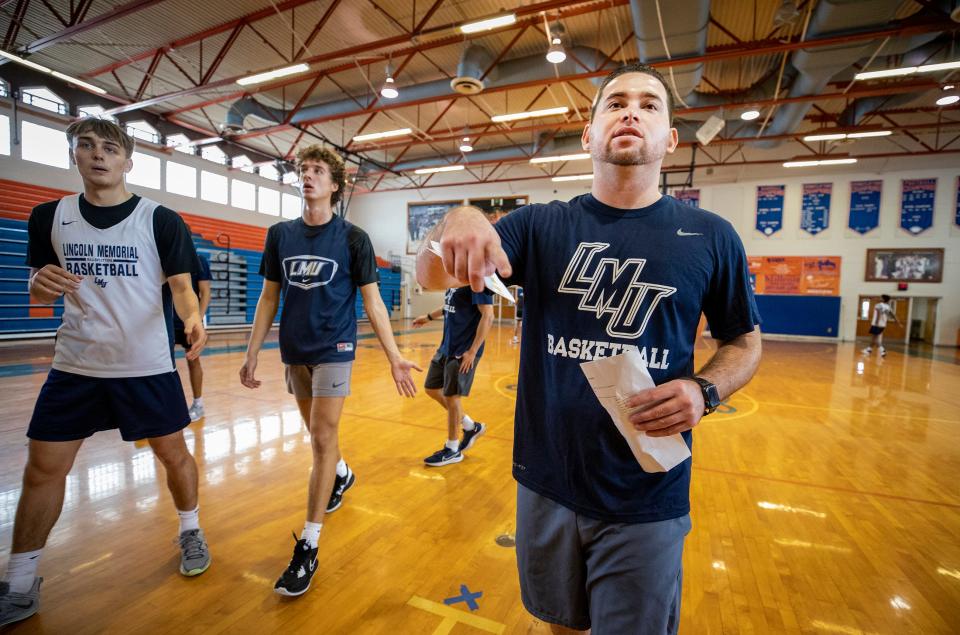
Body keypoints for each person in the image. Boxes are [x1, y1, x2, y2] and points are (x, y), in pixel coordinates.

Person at [417, 62, 762, 634]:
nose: (631, 111)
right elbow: (433, 275)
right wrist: (456, 219)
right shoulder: (540, 226)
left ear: (670, 140)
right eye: (615, 102)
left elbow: (744, 343)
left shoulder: (711, 236)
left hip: (647, 488)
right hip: (547, 480)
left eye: (649, 105)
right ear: (588, 133)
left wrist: (706, 390)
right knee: (561, 627)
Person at [1, 118, 210, 627]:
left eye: (110, 148)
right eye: (87, 146)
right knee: (43, 469)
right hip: (76, 365)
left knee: (174, 456)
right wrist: (39, 284)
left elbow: (181, 286)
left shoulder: (160, 219)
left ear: (127, 161)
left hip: (146, 366)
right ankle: (21, 581)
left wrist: (192, 316)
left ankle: (190, 529)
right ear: (73, 155)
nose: (98, 155)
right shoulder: (48, 217)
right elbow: (36, 291)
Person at [239, 144, 420, 598]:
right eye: (303, 170)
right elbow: (268, 297)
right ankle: (341, 472)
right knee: (317, 437)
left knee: (321, 437)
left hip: (336, 348)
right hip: (293, 349)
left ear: (335, 184)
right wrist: (252, 351)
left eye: (318, 170)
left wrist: (394, 354)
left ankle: (310, 546)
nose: (308, 176)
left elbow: (374, 301)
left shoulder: (354, 238)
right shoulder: (280, 234)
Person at [412, 284, 494, 466]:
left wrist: (472, 351)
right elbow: (451, 305)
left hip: (463, 351)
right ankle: (470, 426)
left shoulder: (476, 280)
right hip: (446, 346)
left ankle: (452, 449)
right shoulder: (454, 280)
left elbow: (488, 316)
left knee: (452, 397)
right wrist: (428, 317)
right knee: (431, 388)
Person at [171, 253, 212, 421]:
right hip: (164, 319)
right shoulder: (161, 256)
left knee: (193, 359)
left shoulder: (198, 259)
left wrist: (198, 321)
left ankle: (198, 404)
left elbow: (205, 293)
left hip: (187, 319)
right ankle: (165, 408)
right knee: (162, 365)